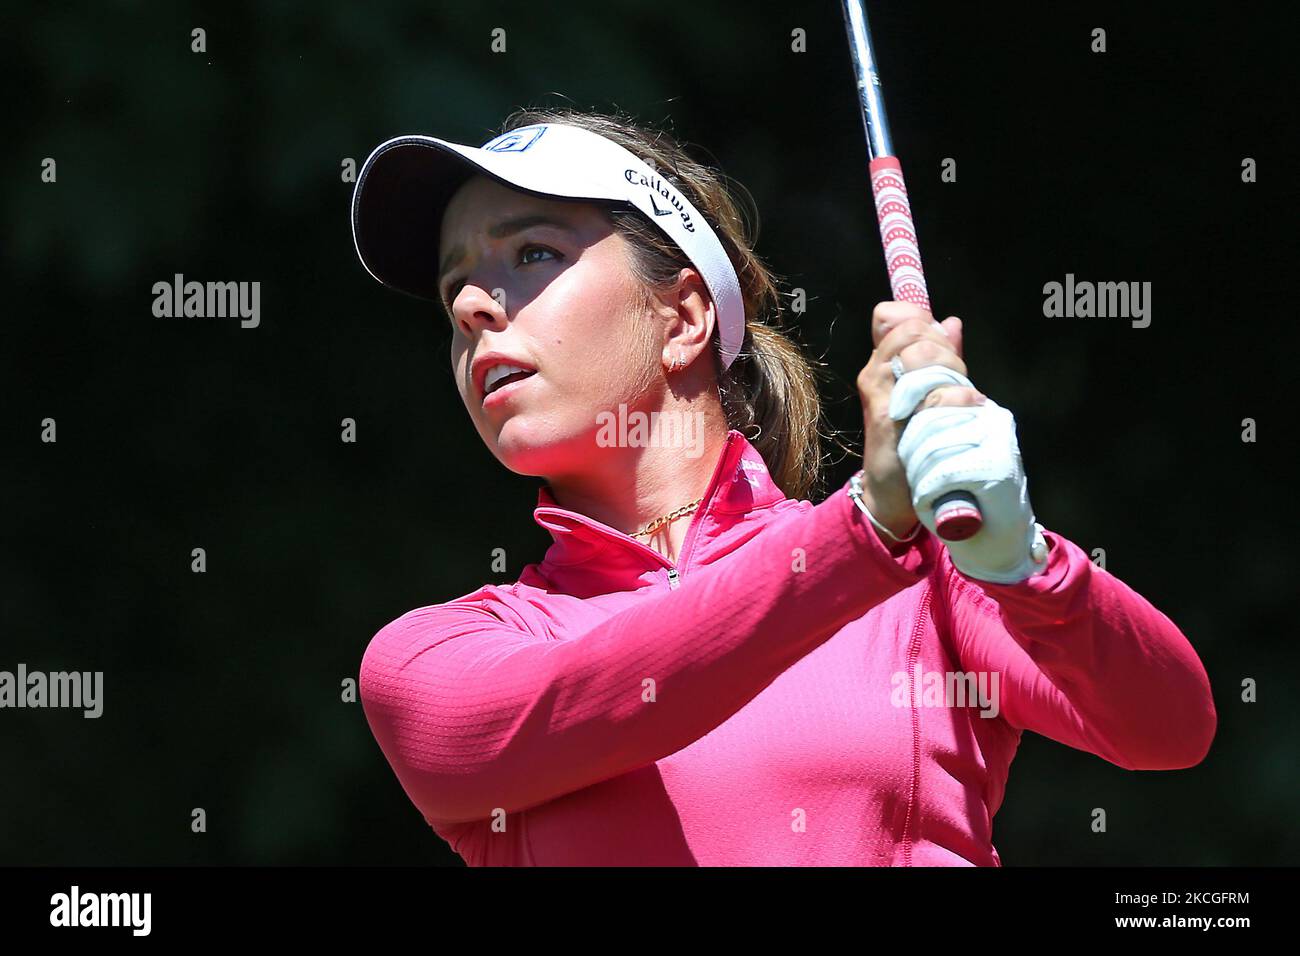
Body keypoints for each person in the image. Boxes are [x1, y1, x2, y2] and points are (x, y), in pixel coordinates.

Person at [349, 107, 1216, 866]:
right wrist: (862, 532)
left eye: (532, 252)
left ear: (684, 317)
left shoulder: (923, 580)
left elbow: (1169, 728)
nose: (470, 307)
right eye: (454, 286)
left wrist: (1019, 556)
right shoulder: (434, 658)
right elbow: (618, 683)